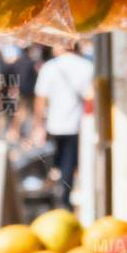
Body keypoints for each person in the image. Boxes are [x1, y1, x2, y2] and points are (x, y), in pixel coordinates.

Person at [35, 45, 95, 208]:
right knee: (69, 161)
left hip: (54, 123)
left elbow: (40, 98)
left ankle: (59, 194)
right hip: (76, 124)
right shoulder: (86, 66)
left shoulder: (49, 67)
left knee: (56, 161)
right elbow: (91, 97)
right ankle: (64, 195)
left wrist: (38, 125)